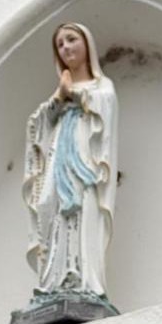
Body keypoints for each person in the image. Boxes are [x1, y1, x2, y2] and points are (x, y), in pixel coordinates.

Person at [22, 22, 118, 299]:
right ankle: (53, 282)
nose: (65, 47)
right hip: (57, 158)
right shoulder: (59, 93)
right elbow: (40, 124)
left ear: (87, 44)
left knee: (82, 208)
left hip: (85, 159)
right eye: (60, 44)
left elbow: (104, 106)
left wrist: (73, 93)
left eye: (71, 39)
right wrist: (59, 96)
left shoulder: (102, 87)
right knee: (48, 204)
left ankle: (82, 280)